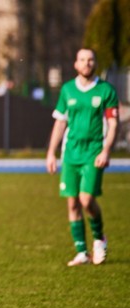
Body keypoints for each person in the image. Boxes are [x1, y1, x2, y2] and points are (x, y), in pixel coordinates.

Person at [46, 48, 119, 266]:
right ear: (76, 64)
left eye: (90, 60)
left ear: (95, 63)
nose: (87, 63)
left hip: (94, 152)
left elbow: (113, 124)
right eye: (82, 60)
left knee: (87, 200)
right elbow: (60, 122)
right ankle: (81, 252)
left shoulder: (106, 90)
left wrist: (106, 150)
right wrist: (51, 152)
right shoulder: (68, 90)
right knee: (73, 203)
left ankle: (99, 238)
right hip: (71, 153)